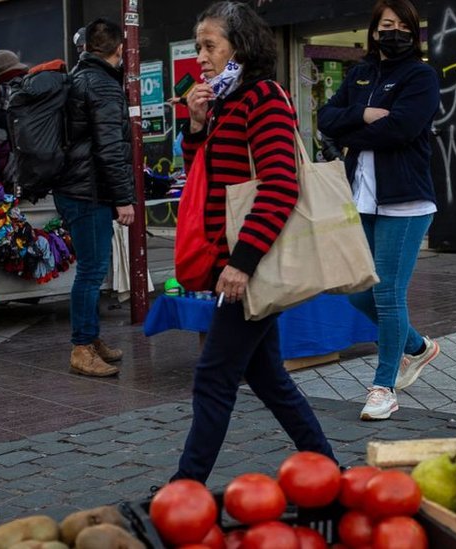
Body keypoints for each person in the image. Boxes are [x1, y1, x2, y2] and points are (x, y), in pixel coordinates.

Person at [174, 0, 335, 482]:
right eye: (199, 46)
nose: (200, 57)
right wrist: (197, 128)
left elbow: (281, 185)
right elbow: (204, 181)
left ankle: (185, 487)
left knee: (214, 377)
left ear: (239, 46)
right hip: (238, 260)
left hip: (251, 263)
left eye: (210, 45)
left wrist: (242, 264)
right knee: (268, 379)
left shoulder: (262, 97)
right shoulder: (225, 102)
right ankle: (330, 470)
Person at [317, 0, 441, 420]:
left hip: (406, 201)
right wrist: (365, 114)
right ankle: (418, 347)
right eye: (387, 24)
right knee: (356, 292)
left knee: (387, 293)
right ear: (373, 31)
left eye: (403, 25)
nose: (394, 31)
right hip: (363, 198)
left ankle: (383, 386)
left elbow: (404, 128)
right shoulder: (360, 74)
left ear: (413, 33)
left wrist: (354, 130)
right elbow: (325, 118)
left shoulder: (421, 76)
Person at [54, 18, 135, 377]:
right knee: (90, 272)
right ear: (119, 48)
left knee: (92, 269)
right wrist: (124, 198)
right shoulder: (102, 84)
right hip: (88, 192)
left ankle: (91, 337)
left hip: (74, 188)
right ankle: (81, 347)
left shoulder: (78, 76)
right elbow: (109, 149)